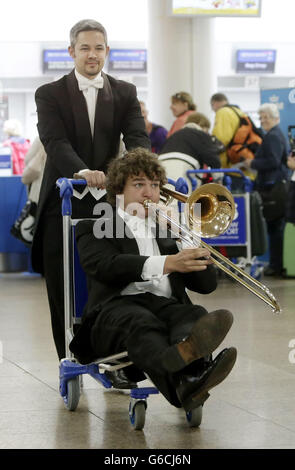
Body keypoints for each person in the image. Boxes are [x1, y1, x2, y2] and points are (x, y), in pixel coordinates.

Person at [69, 148, 237, 412]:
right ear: (118, 191)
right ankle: (188, 370)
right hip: (115, 312)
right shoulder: (95, 225)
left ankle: (188, 382)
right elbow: (105, 266)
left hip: (164, 307)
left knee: (194, 315)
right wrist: (168, 263)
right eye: (139, 185)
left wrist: (184, 235)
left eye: (155, 185)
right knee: (142, 323)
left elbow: (206, 286)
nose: (149, 193)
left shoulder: (167, 229)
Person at [32, 19, 150, 361]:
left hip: (108, 204)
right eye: (84, 48)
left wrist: (141, 170)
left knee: (115, 278)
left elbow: (137, 136)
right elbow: (55, 141)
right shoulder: (49, 94)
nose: (92, 55)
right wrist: (81, 170)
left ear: (107, 51)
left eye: (99, 48)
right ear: (71, 52)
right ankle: (67, 357)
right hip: (63, 198)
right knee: (62, 288)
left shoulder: (125, 91)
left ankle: (120, 355)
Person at [243, 103, 289, 277]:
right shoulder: (274, 135)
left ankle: (276, 266)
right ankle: (276, 264)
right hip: (274, 186)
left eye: (266, 117)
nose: (263, 121)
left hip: (273, 188)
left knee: (275, 228)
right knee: (275, 228)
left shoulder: (273, 136)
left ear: (276, 118)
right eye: (261, 117)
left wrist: (252, 163)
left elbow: (274, 161)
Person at [210, 93, 257, 190]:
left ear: (214, 103)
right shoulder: (239, 112)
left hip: (232, 171)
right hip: (245, 169)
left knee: (230, 203)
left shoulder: (223, 112)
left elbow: (220, 142)